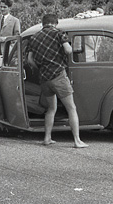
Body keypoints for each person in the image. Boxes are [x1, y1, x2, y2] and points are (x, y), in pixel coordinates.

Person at [27, 13, 88, 148]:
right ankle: (77, 140)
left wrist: (40, 68)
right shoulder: (59, 34)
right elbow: (68, 50)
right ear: (55, 23)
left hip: (44, 78)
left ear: (43, 23)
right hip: (58, 75)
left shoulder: (34, 37)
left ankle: (47, 138)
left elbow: (30, 60)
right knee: (71, 108)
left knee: (51, 108)